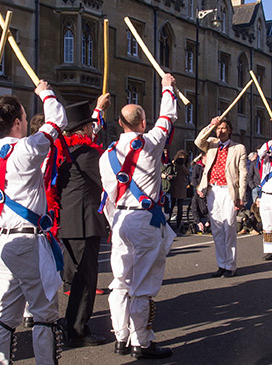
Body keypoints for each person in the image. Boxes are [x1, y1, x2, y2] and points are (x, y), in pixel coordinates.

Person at [0, 81, 67, 365]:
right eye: (25, 118)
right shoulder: (27, 150)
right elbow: (57, 121)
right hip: (28, 244)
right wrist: (45, 93)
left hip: (2, 244)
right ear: (17, 122)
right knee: (44, 315)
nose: (28, 122)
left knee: (5, 315)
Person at [98, 73, 177, 359]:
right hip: (144, 222)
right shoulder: (151, 142)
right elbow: (167, 117)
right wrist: (167, 86)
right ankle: (141, 342)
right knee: (143, 284)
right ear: (143, 123)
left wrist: (115, 220)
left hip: (119, 221)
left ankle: (120, 336)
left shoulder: (106, 155)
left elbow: (107, 195)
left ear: (120, 124)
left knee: (120, 280)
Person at [56, 94, 110, 348]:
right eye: (90, 126)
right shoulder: (88, 154)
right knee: (85, 280)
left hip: (70, 222)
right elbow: (105, 180)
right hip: (83, 222)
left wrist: (98, 110)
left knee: (77, 277)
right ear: (83, 129)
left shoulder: (66, 148)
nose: (93, 129)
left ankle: (73, 324)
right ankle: (77, 330)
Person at [195, 116, 247, 278]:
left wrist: (241, 197)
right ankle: (221, 264)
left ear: (230, 130)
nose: (220, 131)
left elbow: (243, 174)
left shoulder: (238, 148)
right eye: (219, 128)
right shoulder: (211, 144)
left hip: (228, 191)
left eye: (223, 128)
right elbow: (198, 141)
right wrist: (211, 124)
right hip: (212, 190)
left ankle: (231, 265)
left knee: (229, 228)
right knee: (217, 229)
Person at [170, 150, 190, 233]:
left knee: (180, 206)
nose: (181, 159)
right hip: (174, 185)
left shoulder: (185, 164)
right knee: (171, 205)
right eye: (180, 157)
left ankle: (178, 224)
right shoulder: (174, 163)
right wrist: (174, 163)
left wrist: (182, 165)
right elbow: (170, 169)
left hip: (182, 186)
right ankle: (168, 222)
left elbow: (187, 172)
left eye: (183, 158)